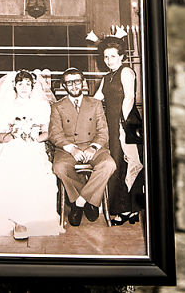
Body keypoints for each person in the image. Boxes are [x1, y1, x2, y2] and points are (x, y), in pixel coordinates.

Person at [0, 69, 63, 238]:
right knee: (10, 168)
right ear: (14, 86)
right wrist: (13, 134)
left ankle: (29, 219)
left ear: (33, 86)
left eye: (28, 84)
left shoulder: (41, 106)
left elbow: (47, 133)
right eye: (20, 84)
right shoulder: (6, 106)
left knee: (35, 171)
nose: (24, 88)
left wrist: (35, 137)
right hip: (11, 146)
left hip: (33, 147)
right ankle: (11, 219)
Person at [49, 67, 116, 227]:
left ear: (83, 83)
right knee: (59, 167)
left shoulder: (95, 104)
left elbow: (103, 131)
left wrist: (94, 147)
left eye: (77, 81)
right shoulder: (57, 106)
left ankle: (79, 202)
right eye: (69, 83)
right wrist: (72, 149)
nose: (74, 86)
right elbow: (54, 134)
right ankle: (91, 201)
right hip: (68, 149)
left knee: (109, 165)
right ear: (64, 86)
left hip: (93, 146)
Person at [93, 38, 144, 226]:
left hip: (127, 122)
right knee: (118, 164)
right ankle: (127, 209)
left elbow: (129, 98)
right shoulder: (106, 78)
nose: (109, 60)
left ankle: (131, 209)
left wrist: (123, 125)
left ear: (121, 56)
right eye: (106, 57)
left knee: (131, 163)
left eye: (113, 56)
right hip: (112, 124)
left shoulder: (126, 71)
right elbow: (96, 100)